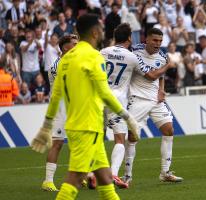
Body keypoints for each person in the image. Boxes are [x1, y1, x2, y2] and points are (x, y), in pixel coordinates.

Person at [31, 14, 139, 200]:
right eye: (101, 29)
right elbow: (104, 93)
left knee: (106, 181)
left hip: (76, 126)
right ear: (96, 32)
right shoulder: (94, 56)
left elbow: (55, 94)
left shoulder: (64, 60)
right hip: (88, 126)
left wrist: (47, 125)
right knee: (73, 179)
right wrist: (128, 118)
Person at [101, 23, 161, 189]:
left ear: (114, 36)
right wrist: (167, 66)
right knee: (119, 139)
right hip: (117, 101)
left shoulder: (103, 52)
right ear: (129, 38)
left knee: (96, 139)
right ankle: (113, 174)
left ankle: (91, 174)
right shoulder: (132, 57)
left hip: (99, 98)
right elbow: (150, 76)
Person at [123, 28, 183, 185]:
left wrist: (162, 90)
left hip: (155, 99)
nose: (158, 44)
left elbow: (160, 76)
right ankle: (127, 176)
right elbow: (151, 76)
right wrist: (169, 66)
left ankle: (165, 172)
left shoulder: (162, 56)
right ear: (146, 39)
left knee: (169, 129)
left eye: (160, 41)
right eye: (155, 40)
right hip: (138, 98)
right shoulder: (135, 51)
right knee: (132, 136)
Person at [41, 34, 78, 192]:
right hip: (60, 109)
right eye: (74, 44)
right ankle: (48, 181)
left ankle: (79, 177)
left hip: (72, 107)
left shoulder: (72, 62)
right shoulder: (59, 65)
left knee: (77, 144)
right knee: (57, 143)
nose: (77, 47)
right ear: (65, 48)